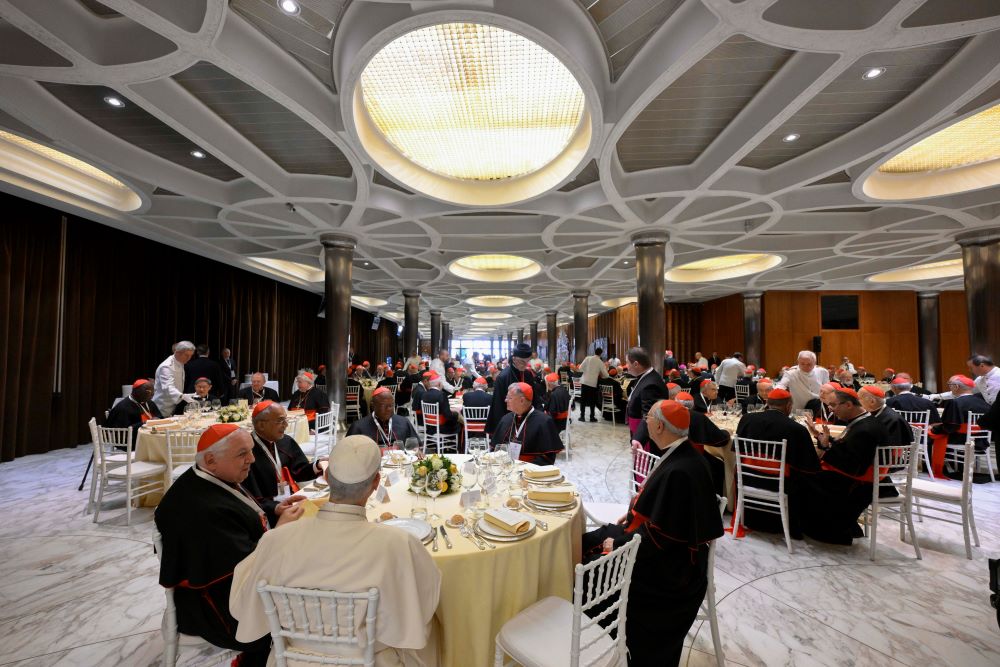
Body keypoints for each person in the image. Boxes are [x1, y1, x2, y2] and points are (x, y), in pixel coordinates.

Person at [230, 435, 441, 666]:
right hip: (372, 660)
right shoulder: (400, 543)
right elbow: (421, 608)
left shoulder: (275, 540)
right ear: (376, 482)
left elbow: (241, 605)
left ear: (327, 476)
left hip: (295, 660)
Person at [583, 400, 723, 666]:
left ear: (659, 425)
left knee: (586, 565)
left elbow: (664, 537)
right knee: (586, 539)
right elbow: (663, 509)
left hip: (669, 570)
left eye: (647, 417)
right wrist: (636, 509)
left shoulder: (682, 470)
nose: (643, 421)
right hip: (656, 543)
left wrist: (618, 542)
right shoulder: (681, 452)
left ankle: (596, 643)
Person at [155, 424, 304, 667]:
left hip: (231, 590)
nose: (252, 460)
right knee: (310, 606)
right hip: (215, 608)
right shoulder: (202, 509)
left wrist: (275, 510)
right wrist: (280, 532)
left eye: (252, 451)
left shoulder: (210, 478)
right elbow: (246, 566)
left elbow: (242, 514)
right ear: (212, 459)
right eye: (242, 454)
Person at [803, 388, 891, 545]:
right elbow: (849, 449)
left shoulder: (865, 429)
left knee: (801, 477)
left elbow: (851, 465)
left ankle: (823, 528)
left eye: (833, 405)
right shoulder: (863, 421)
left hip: (858, 484)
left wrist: (825, 449)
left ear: (849, 404)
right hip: (859, 476)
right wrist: (820, 436)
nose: (831, 409)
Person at [733, 387, 820, 536]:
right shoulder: (796, 429)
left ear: (767, 403)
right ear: (788, 406)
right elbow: (809, 466)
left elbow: (737, 450)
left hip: (747, 478)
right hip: (780, 484)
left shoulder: (747, 419)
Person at [243, 401, 324, 526]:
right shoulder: (246, 452)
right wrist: (275, 508)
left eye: (286, 420)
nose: (286, 425)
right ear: (261, 425)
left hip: (291, 501)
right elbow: (251, 498)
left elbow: (299, 472)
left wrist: (317, 465)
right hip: (268, 514)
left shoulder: (286, 441)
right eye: (280, 421)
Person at [928, 375, 990, 479]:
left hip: (961, 440)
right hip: (981, 440)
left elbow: (950, 427)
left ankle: (935, 469)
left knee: (930, 437)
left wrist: (933, 429)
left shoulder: (955, 402)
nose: (949, 388)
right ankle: (955, 466)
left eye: (950, 385)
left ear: (956, 386)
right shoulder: (984, 402)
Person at [493, 383, 563, 464]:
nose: (505, 400)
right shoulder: (506, 419)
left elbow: (548, 457)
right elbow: (495, 449)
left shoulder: (544, 421)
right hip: (506, 468)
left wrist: (524, 468)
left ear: (522, 400)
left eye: (509, 398)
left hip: (531, 472)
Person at [486, 343, 543, 435]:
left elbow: (534, 397)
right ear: (514, 359)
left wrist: (540, 414)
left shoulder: (527, 374)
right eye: (522, 362)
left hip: (528, 419)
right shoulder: (503, 377)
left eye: (527, 361)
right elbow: (498, 405)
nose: (525, 365)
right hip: (510, 419)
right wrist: (502, 426)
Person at [347, 387, 419, 448]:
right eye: (383, 405)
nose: (388, 409)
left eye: (391, 405)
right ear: (373, 406)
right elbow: (347, 453)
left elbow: (415, 446)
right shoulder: (358, 427)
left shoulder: (404, 422)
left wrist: (417, 451)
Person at [624, 346, 669, 435]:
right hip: (636, 427)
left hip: (645, 436)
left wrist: (638, 439)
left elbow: (649, 417)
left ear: (636, 364)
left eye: (627, 362)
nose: (626, 366)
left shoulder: (650, 385)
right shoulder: (644, 376)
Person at [153, 341, 196, 416]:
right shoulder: (166, 366)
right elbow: (168, 387)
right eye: (186, 355)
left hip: (173, 405)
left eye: (191, 356)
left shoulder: (180, 362)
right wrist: (182, 396)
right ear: (178, 352)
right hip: (162, 406)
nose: (189, 358)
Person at [577, 346, 609, 423]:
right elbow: (606, 375)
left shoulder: (587, 358)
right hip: (592, 383)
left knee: (583, 400)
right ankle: (592, 417)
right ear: (601, 354)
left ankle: (582, 416)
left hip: (584, 382)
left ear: (594, 352)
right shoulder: (600, 362)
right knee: (592, 401)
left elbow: (580, 368)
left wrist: (587, 370)